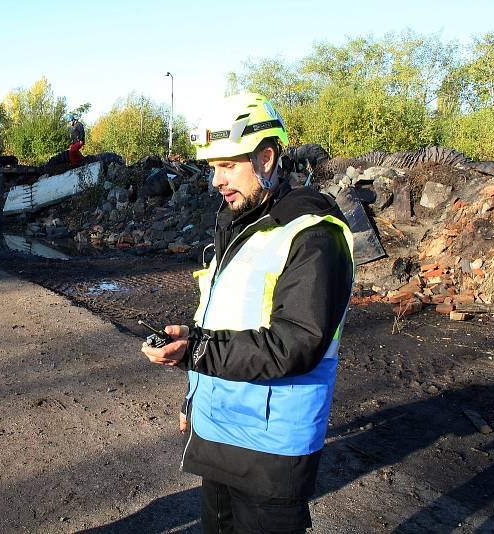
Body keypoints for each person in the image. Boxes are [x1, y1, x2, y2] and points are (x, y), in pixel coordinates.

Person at [141, 93, 355, 533]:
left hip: (271, 447)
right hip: (220, 429)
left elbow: (295, 343)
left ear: (267, 157)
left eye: (228, 165)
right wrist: (193, 396)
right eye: (212, 167)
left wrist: (193, 352)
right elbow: (224, 321)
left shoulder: (313, 236)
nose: (216, 180)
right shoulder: (240, 225)